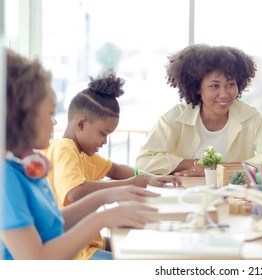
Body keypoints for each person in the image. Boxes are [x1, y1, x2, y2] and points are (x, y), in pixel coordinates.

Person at [1, 48, 159, 260]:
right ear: (21, 115)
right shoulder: (6, 178)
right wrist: (103, 218)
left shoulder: (25, 167)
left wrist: (108, 195)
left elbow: (55, 222)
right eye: (49, 113)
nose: (55, 121)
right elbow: (37, 261)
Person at [43, 69, 181, 259]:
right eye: (103, 133)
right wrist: (129, 184)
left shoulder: (83, 153)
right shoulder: (64, 147)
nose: (105, 141)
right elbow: (75, 191)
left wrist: (150, 177)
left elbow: (115, 169)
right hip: (77, 252)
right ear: (81, 124)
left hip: (89, 243)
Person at [136, 44, 262, 177]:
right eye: (214, 86)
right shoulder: (176, 118)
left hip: (233, 198)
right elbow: (143, 162)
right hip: (184, 195)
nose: (224, 94)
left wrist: (218, 168)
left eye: (230, 84)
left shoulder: (252, 118)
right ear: (197, 87)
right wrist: (195, 165)